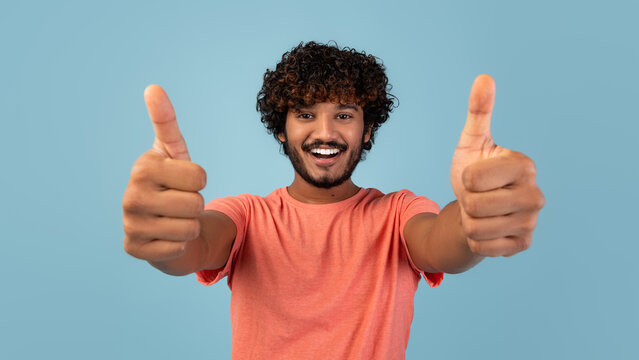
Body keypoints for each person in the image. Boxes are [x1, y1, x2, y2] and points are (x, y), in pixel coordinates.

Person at [122, 42, 545, 359]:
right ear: (281, 130)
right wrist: (165, 235)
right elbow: (193, 246)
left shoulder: (398, 213)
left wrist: (474, 217)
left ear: (367, 130)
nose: (325, 132)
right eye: (305, 114)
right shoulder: (247, 215)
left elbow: (442, 242)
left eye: (344, 115)